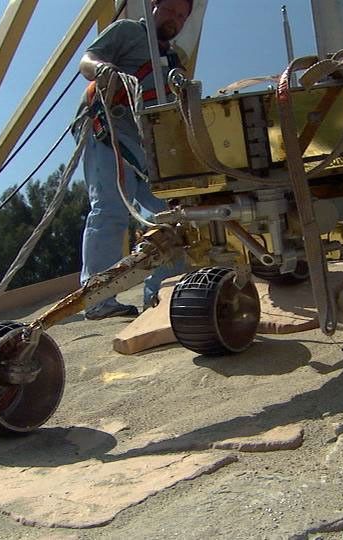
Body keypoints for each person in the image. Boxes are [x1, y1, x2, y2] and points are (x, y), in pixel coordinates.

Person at [75, 0, 192, 320]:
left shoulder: (176, 59)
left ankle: (161, 295)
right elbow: (87, 60)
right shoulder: (127, 32)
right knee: (110, 209)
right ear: (153, 7)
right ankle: (98, 298)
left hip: (148, 143)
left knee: (169, 215)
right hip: (109, 130)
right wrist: (102, 70)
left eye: (181, 15)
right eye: (170, 10)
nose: (175, 19)